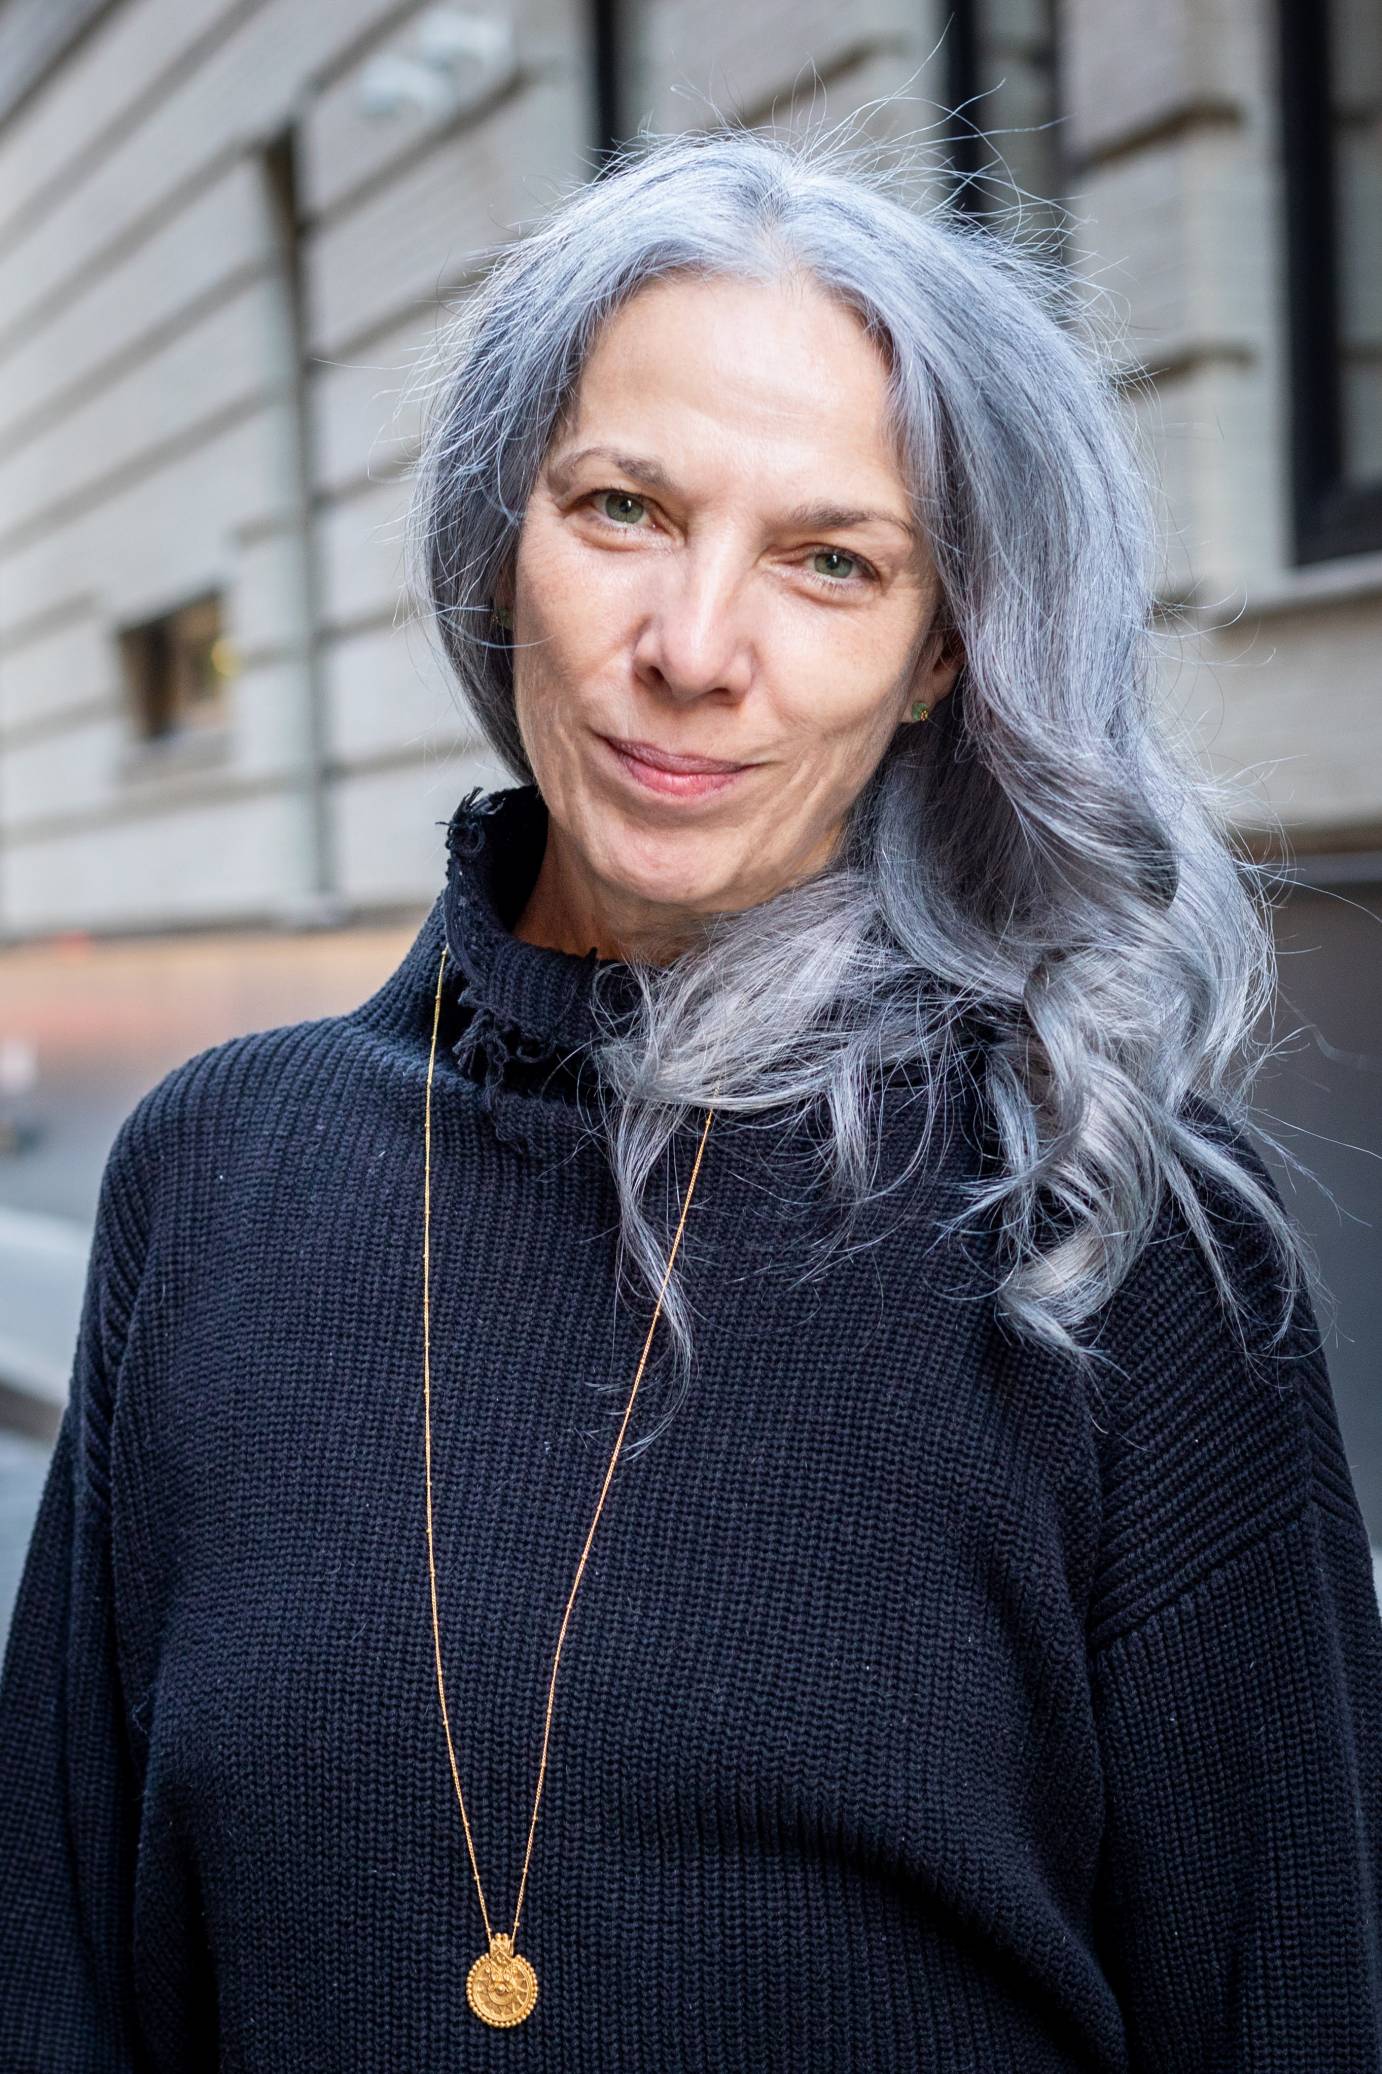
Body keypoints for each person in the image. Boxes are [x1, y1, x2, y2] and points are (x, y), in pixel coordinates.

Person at [2, 117, 1379, 2072]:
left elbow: (1294, 2002)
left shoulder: (1126, 1237)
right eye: (625, 507)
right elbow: (49, 1967)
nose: (692, 650)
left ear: (936, 653)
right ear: (505, 534)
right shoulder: (213, 1174)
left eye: (831, 558)